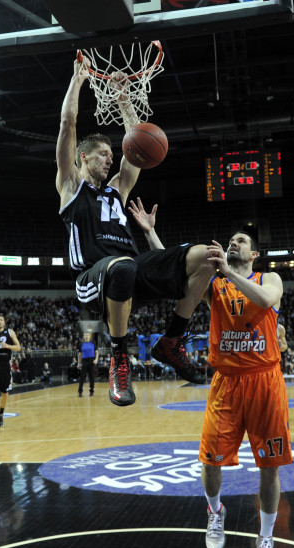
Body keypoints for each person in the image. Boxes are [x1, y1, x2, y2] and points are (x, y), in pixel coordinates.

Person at [56, 55, 214, 406]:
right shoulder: (71, 186)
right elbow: (68, 124)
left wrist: (125, 98)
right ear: (83, 158)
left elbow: (136, 149)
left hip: (129, 274)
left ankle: (171, 342)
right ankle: (118, 356)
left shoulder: (118, 190)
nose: (110, 158)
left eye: (111, 154)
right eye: (102, 154)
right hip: (91, 281)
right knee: (123, 265)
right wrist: (78, 79)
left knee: (208, 257)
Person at [200, 231, 291, 548]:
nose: (233, 243)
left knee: (270, 466)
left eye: (241, 240)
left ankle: (265, 539)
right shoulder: (216, 285)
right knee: (210, 460)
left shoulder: (269, 278)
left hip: (265, 380)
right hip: (226, 382)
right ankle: (215, 512)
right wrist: (150, 233)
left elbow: (267, 300)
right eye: (231, 240)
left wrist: (228, 271)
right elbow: (175, 273)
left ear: (254, 254)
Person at [77, 332, 98, 396]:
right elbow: (79, 354)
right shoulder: (81, 344)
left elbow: (97, 352)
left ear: (89, 336)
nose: (86, 336)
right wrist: (78, 363)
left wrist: (96, 359)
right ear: (83, 336)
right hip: (84, 361)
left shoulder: (93, 343)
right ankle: (80, 391)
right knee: (82, 377)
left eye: (87, 335)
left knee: (92, 377)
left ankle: (91, 391)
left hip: (91, 361)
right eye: (85, 335)